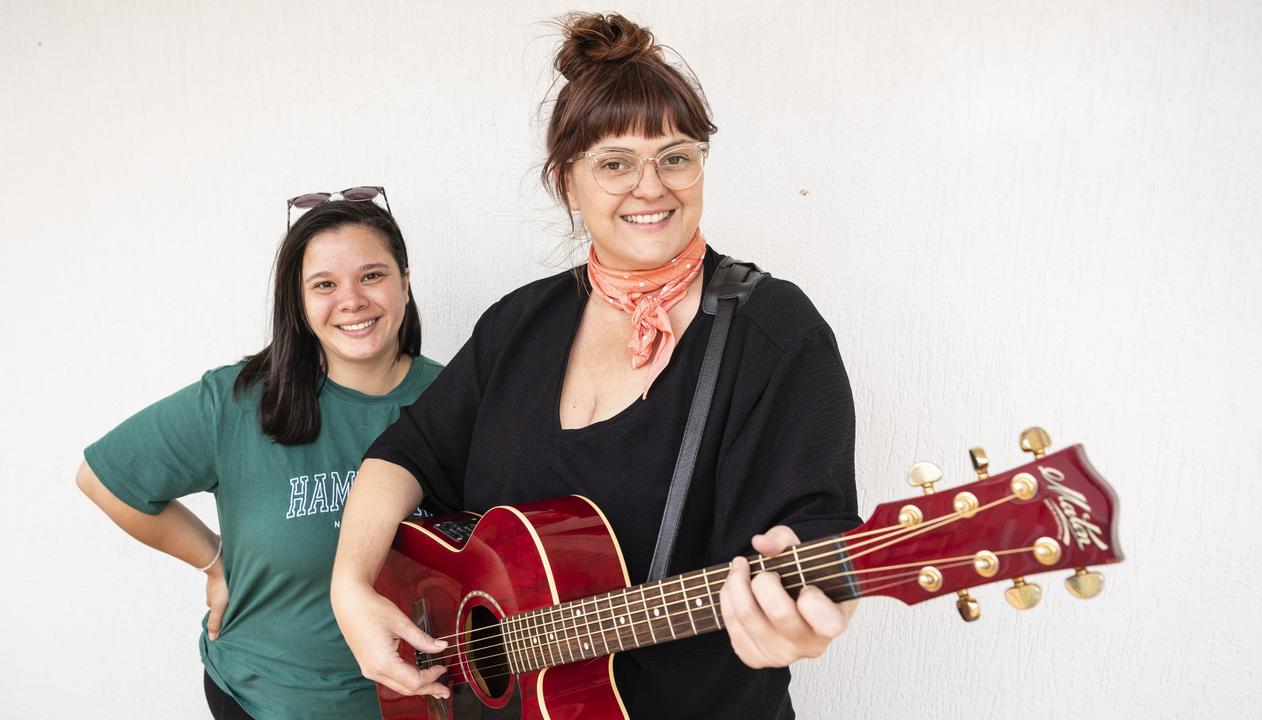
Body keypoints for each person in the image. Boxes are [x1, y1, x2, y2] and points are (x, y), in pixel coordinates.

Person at [331, 13, 860, 720]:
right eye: (615, 163)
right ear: (567, 182)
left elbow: (815, 529)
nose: (652, 188)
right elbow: (404, 454)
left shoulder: (772, 333)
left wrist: (800, 612)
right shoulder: (520, 324)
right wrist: (351, 589)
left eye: (676, 156)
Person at [76, 195, 443, 720]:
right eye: (324, 284)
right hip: (265, 700)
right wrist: (213, 561)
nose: (352, 300)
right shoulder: (238, 401)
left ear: (405, 283)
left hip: (424, 704)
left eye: (372, 275)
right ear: (298, 302)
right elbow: (104, 478)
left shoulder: (457, 399)